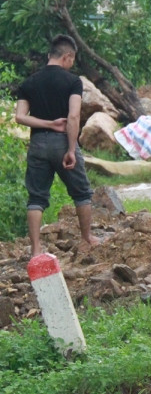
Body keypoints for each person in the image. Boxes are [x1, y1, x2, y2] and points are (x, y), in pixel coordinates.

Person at [15, 35, 95, 256]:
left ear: (50, 54)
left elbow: (20, 117)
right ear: (67, 56)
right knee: (81, 193)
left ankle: (36, 250)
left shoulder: (29, 83)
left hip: (38, 142)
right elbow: (73, 116)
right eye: (72, 60)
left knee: (37, 197)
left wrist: (47, 123)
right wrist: (71, 149)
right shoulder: (72, 82)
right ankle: (87, 238)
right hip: (62, 142)